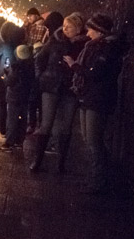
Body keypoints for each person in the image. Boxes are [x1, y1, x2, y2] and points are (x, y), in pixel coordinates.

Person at [65, 13, 125, 193]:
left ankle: (100, 181)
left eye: (91, 29)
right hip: (88, 96)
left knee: (94, 141)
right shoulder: (93, 46)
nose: (88, 32)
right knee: (88, 139)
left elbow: (96, 73)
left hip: (99, 99)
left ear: (99, 31)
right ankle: (95, 177)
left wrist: (74, 65)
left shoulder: (108, 49)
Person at [30, 12, 88, 173]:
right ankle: (37, 160)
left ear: (78, 29)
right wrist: (41, 76)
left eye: (69, 26)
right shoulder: (55, 40)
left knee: (65, 127)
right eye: (64, 25)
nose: (65, 29)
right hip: (51, 86)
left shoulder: (84, 45)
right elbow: (40, 58)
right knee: (46, 124)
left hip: (70, 90)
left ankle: (61, 163)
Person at [0, 21, 21, 147]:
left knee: (3, 107)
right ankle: (12, 135)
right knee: (10, 110)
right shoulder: (17, 46)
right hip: (13, 82)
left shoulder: (5, 47)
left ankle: (3, 133)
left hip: (4, 81)